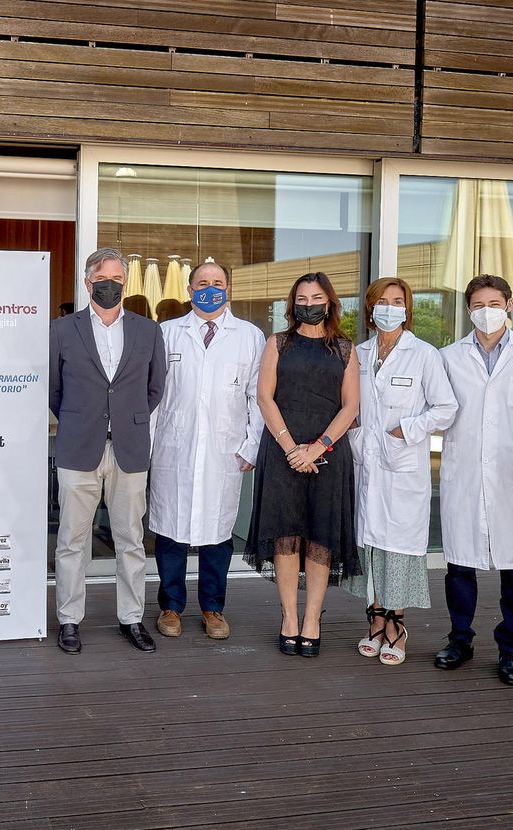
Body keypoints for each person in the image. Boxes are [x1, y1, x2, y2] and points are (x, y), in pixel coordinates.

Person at [436, 274, 513, 685]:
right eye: (478, 304)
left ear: (510, 304)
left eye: (494, 303)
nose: (486, 311)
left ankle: (512, 650)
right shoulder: (448, 358)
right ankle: (460, 639)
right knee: (459, 567)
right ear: (468, 309)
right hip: (463, 472)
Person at [48, 247, 167, 654]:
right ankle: (68, 619)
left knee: (131, 540)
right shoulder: (63, 330)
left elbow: (156, 388)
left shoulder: (148, 330)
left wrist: (125, 419)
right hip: (79, 447)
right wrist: (86, 420)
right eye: (104, 279)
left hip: (129, 449)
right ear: (88, 282)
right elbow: (54, 389)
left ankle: (131, 618)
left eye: (118, 279)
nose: (111, 286)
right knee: (72, 541)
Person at [148, 261, 264, 641]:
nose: (209, 288)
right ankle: (170, 606)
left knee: (218, 533)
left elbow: (257, 398)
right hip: (173, 449)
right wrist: (146, 450)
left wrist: (251, 446)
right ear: (189, 288)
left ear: (228, 288)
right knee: (171, 531)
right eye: (202, 282)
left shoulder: (249, 336)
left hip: (223, 452)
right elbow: (153, 399)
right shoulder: (166, 334)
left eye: (217, 283)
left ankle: (213, 608)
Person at [345, 277, 458, 666]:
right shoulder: (357, 354)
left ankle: (397, 626)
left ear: (407, 308)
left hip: (402, 465)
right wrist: (358, 430)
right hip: (366, 466)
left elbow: (446, 408)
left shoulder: (424, 354)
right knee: (371, 546)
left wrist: (404, 429)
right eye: (382, 300)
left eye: (397, 301)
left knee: (398, 548)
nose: (389, 307)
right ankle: (374, 621)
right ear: (370, 308)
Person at [247, 272, 360, 658]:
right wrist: (292, 447)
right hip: (282, 452)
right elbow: (265, 398)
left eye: (315, 298)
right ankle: (289, 619)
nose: (308, 304)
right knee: (285, 536)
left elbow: (351, 407)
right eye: (301, 298)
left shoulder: (345, 348)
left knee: (319, 538)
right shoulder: (277, 343)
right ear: (291, 303)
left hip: (327, 454)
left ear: (329, 302)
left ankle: (313, 619)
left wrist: (317, 448)